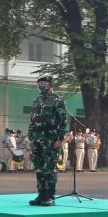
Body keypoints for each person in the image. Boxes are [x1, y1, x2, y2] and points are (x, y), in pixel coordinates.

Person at [28, 76, 68, 206]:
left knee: (49, 168)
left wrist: (60, 139)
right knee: (39, 168)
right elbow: (32, 119)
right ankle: (41, 194)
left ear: (51, 85)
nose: (41, 86)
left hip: (51, 140)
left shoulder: (58, 101)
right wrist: (31, 137)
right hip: (37, 139)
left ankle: (50, 196)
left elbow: (63, 122)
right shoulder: (36, 100)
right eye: (39, 83)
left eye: (44, 83)